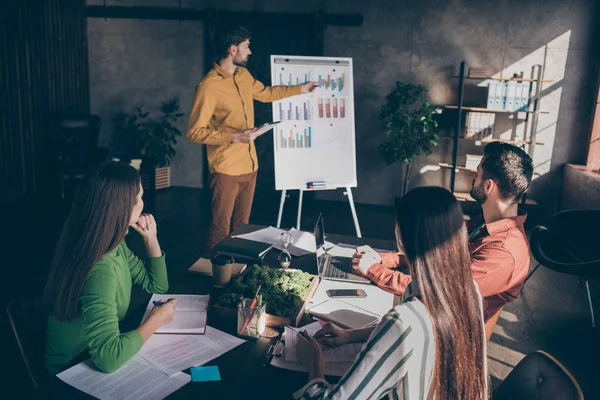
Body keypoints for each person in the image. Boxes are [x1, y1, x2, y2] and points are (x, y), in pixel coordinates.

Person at [294, 186, 488, 399]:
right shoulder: (470, 291)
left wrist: (314, 363)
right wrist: (351, 335)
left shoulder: (403, 320)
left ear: (401, 237)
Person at [353, 141, 534, 322]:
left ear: (488, 186)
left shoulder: (504, 252)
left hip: (438, 331)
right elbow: (439, 260)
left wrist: (373, 270)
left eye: (477, 173)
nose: (473, 178)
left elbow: (436, 289)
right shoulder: (483, 224)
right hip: (423, 315)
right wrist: (384, 259)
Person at [187, 26, 318, 251]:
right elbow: (194, 132)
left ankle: (237, 270)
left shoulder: (244, 75)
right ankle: (212, 275)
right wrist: (235, 137)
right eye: (246, 46)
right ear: (232, 49)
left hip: (250, 165)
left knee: (243, 227)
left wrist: (301, 89)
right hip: (225, 168)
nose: (250, 51)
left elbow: (266, 93)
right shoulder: (208, 85)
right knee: (220, 228)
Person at [44, 161, 176, 374]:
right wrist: (156, 321)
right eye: (139, 198)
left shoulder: (110, 244)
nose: (143, 204)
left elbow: (157, 286)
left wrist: (151, 240)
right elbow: (108, 358)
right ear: (120, 208)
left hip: (89, 356)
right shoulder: (100, 267)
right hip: (71, 373)